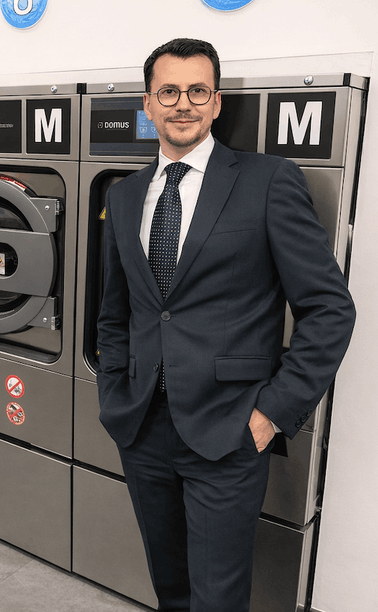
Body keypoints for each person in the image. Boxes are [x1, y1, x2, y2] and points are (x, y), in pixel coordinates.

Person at [96, 38, 355, 611]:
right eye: (169, 91)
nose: (182, 104)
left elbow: (330, 309)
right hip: (141, 425)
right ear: (148, 104)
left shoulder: (267, 182)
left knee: (218, 599)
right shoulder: (126, 194)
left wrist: (271, 414)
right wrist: (113, 389)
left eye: (197, 91)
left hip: (230, 430)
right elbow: (116, 312)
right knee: (172, 590)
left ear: (216, 104)